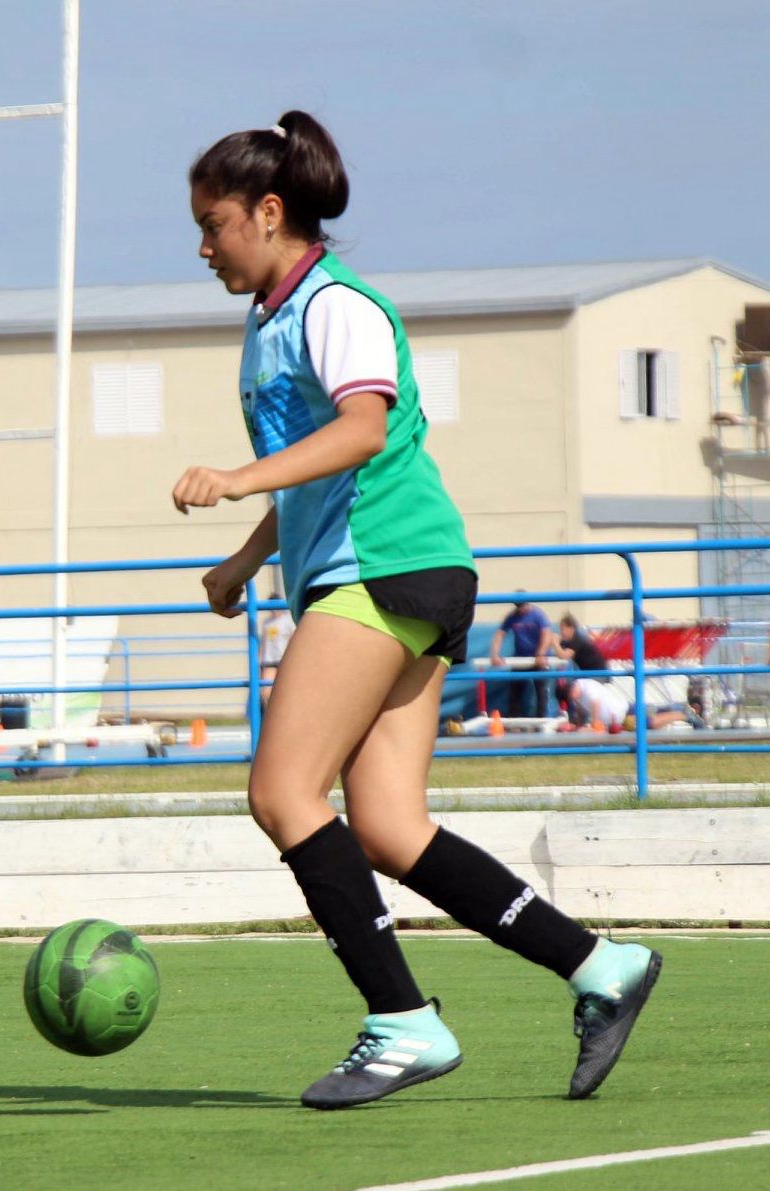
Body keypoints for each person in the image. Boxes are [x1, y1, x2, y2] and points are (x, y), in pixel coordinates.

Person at [172, 110, 660, 1110]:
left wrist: (233, 478)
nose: (203, 245)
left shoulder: (334, 305)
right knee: (390, 828)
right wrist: (243, 557)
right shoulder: (272, 319)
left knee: (282, 793)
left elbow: (359, 431)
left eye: (214, 223)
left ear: (269, 214)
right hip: (406, 572)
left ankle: (401, 1020)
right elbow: (317, 471)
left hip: (384, 568)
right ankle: (599, 966)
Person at [490, 592, 556, 719]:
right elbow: (500, 634)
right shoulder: (512, 616)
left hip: (537, 659)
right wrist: (495, 654)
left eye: (523, 606)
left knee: (541, 691)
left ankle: (541, 720)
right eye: (519, 607)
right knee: (515, 690)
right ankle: (514, 720)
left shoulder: (538, 615)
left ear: (528, 603)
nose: (521, 609)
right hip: (520, 658)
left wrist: (541, 653)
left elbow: (547, 634)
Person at [554, 613, 608, 727]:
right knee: (563, 690)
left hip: (597, 674)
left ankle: (584, 721)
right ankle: (577, 720)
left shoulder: (577, 640)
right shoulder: (571, 641)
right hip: (587, 674)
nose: (561, 632)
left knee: (574, 692)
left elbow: (564, 655)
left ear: (571, 628)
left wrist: (555, 643)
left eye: (563, 629)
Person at [258, 588, 295, 706]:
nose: (273, 610)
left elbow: (293, 638)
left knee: (286, 690)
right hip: (269, 660)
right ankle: (270, 717)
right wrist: (259, 662)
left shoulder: (288, 620)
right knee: (266, 692)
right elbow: (263, 643)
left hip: (283, 659)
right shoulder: (267, 623)